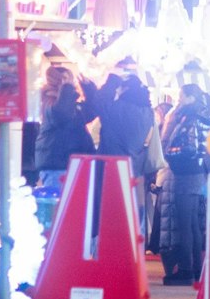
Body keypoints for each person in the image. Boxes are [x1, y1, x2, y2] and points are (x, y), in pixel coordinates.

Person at [158, 85, 210, 285]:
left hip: (186, 173)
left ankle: (186, 269)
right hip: (199, 174)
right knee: (193, 224)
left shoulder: (188, 118)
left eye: (181, 95)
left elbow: (188, 147)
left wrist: (169, 154)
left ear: (190, 97)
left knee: (184, 224)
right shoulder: (205, 117)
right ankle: (197, 268)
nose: (178, 99)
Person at [33, 65, 96, 232]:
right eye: (68, 79)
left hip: (71, 164)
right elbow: (61, 114)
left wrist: (88, 87)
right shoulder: (49, 100)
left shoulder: (69, 104)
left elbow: (91, 111)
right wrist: (67, 88)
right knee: (59, 219)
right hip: (58, 165)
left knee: (71, 217)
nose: (72, 83)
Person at [96, 60, 156, 231]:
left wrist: (113, 80)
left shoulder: (117, 109)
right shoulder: (147, 113)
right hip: (135, 169)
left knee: (110, 218)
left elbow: (99, 102)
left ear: (126, 89)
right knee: (134, 217)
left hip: (111, 169)